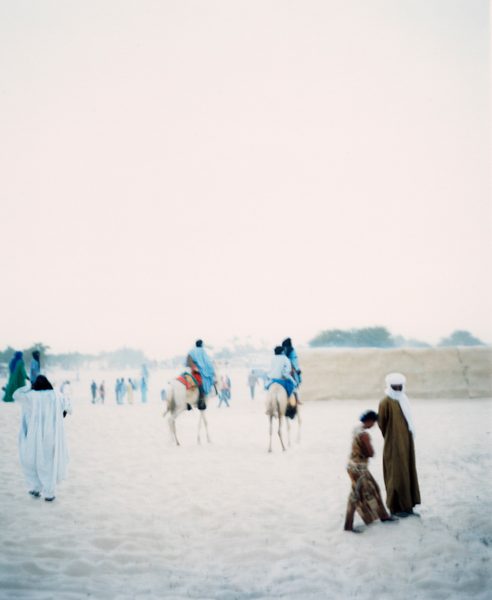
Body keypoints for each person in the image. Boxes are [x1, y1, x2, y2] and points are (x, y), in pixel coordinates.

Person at [13, 375, 70, 501]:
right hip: (51, 435)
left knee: (33, 460)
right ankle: (49, 493)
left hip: (35, 435)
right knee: (48, 463)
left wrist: (28, 386)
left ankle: (36, 488)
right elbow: (67, 407)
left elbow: (16, 395)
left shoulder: (32, 395)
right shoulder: (56, 395)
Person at [344, 410, 397, 532]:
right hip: (359, 469)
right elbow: (370, 453)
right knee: (364, 493)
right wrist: (370, 449)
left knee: (359, 493)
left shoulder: (356, 429)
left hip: (352, 467)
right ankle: (350, 525)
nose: (374, 425)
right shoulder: (364, 435)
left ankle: (382, 516)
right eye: (373, 422)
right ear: (369, 421)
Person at [378, 372, 421, 518]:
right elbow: (382, 424)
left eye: (400, 386)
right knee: (395, 475)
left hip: (407, 443)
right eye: (395, 386)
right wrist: (393, 437)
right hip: (393, 444)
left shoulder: (404, 400)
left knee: (407, 473)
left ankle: (408, 507)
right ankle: (395, 508)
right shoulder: (385, 402)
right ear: (389, 386)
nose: (397, 389)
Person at [186, 340, 216, 410]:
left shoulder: (191, 351)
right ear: (201, 344)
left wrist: (193, 367)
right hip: (199, 373)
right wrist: (211, 371)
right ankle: (201, 401)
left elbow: (188, 362)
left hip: (192, 371)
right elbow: (208, 363)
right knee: (203, 384)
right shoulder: (203, 352)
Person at [282, 337, 302, 404]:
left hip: (285, 369)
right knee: (296, 383)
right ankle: (297, 399)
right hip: (292, 369)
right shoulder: (292, 350)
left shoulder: (284, 350)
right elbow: (294, 361)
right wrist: (297, 369)